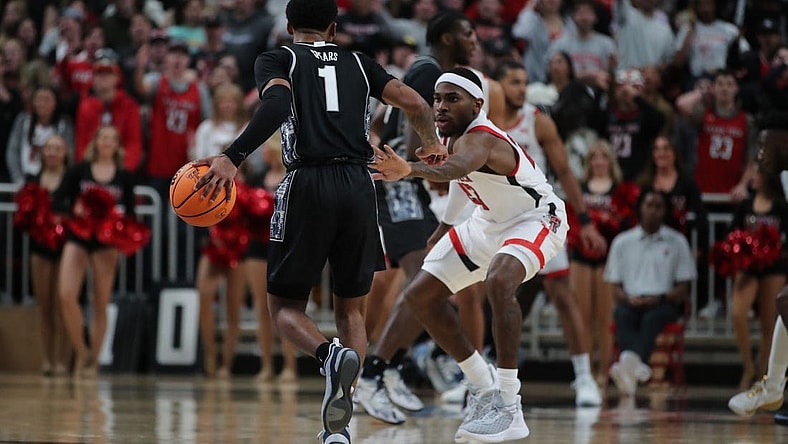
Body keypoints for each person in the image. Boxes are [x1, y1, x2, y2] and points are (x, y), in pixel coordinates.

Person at [192, 1, 446, 442]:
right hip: (360, 186)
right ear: (332, 27)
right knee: (353, 310)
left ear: (289, 26)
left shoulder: (280, 58)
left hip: (307, 181)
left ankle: (327, 355)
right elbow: (417, 102)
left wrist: (232, 157)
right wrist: (432, 150)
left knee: (284, 308)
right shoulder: (360, 62)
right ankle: (339, 430)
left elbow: (274, 107)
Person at [372, 67, 568, 443]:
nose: (440, 106)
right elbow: (465, 180)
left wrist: (408, 169)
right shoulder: (455, 137)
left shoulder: (482, 138)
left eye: (451, 98)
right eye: (437, 98)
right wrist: (445, 227)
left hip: (536, 218)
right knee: (420, 295)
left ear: (477, 104)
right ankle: (483, 385)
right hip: (488, 222)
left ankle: (510, 405)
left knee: (498, 279)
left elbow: (458, 168)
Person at [494, 59, 605, 407]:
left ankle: (584, 377)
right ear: (497, 86)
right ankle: (482, 377)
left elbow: (566, 173)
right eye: (513, 81)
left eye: (525, 82)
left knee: (562, 294)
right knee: (490, 296)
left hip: (540, 217)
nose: (521, 89)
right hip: (499, 217)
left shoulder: (537, 122)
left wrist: (585, 221)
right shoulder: (486, 122)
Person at [53, 125, 137, 378]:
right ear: (95, 141)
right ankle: (82, 351)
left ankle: (94, 362)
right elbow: (58, 200)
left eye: (113, 138)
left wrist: (116, 219)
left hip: (106, 242)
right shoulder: (79, 170)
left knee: (100, 301)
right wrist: (74, 209)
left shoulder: (124, 176)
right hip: (78, 237)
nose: (107, 142)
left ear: (118, 145)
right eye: (103, 137)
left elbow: (131, 214)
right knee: (67, 294)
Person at [605, 189, 697, 397]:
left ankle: (629, 363)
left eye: (658, 207)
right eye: (649, 205)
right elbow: (615, 285)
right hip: (631, 300)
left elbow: (683, 286)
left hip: (663, 301)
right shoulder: (622, 241)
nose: (653, 211)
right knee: (622, 314)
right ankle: (637, 367)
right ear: (640, 209)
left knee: (652, 318)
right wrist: (627, 298)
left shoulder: (677, 241)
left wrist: (661, 298)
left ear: (665, 212)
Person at [728, 112, 788, 418]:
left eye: (765, 146)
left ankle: (774, 387)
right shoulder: (785, 180)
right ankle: (772, 387)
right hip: (756, 269)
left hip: (776, 267)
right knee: (785, 303)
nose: (760, 154)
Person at [246, 134, 299, 384]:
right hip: (257, 249)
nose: (264, 152)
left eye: (268, 147)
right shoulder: (256, 179)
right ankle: (266, 365)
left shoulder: (293, 177)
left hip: (285, 247)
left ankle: (290, 366)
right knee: (262, 309)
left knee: (285, 308)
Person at [571, 140, 623, 384]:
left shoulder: (619, 190)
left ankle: (604, 372)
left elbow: (624, 223)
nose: (599, 162)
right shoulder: (580, 188)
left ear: (610, 162)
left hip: (608, 259)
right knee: (583, 317)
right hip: (581, 258)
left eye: (604, 157)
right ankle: (586, 374)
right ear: (589, 162)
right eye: (595, 157)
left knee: (605, 319)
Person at [26, 135, 71, 377]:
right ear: (43, 152)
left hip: (66, 248)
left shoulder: (71, 179)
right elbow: (25, 213)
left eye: (58, 148)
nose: (53, 152)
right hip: (40, 247)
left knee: (62, 305)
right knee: (44, 306)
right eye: (49, 148)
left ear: (65, 152)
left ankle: (63, 360)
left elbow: (78, 211)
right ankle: (47, 359)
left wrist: (61, 219)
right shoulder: (33, 180)